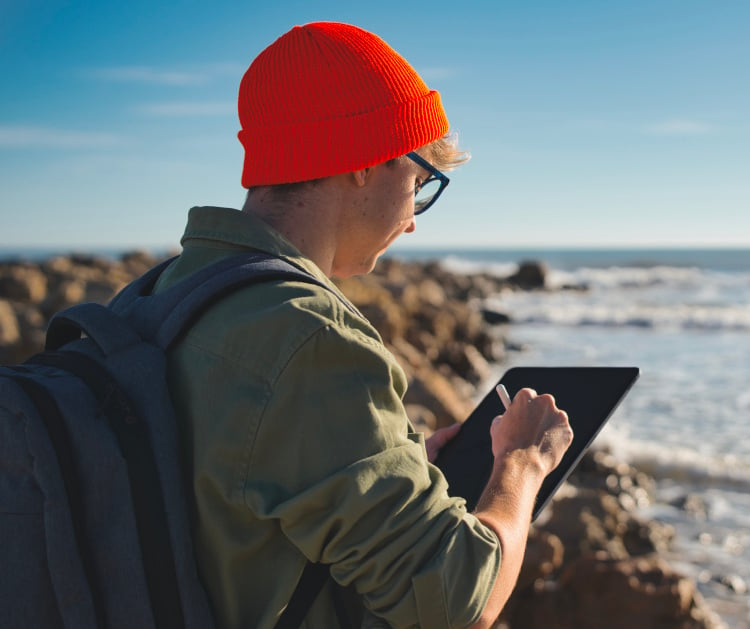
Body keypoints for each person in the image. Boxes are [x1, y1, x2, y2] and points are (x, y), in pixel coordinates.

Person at [153, 21, 573, 628]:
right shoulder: (308, 337)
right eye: (421, 183)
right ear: (365, 163)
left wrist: (385, 461)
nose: (411, 222)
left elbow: (234, 476)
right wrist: (523, 465)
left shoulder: (169, 290)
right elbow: (459, 602)